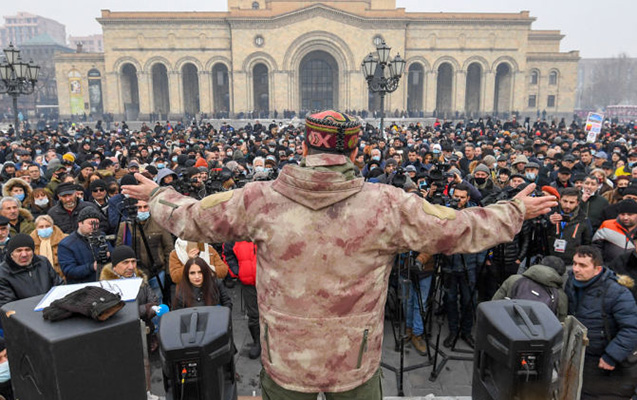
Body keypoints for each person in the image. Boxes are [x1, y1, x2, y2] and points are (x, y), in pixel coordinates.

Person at [123, 110, 556, 398]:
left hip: (285, 361)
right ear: (353, 153)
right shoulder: (387, 205)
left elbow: (194, 218)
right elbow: (458, 229)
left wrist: (159, 194)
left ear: (304, 150)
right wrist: (514, 210)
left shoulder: (260, 200)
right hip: (356, 362)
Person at [564, 246, 637, 399]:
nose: (576, 269)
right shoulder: (570, 283)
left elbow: (632, 328)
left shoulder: (617, 292)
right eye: (575, 263)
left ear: (597, 269)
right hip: (579, 359)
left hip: (606, 366)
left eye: (583, 265)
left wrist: (612, 355)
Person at [115, 199, 174, 303]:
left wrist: (169, 272)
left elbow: (168, 249)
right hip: (134, 273)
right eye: (139, 207)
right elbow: (119, 249)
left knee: (157, 301)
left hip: (157, 271)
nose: (142, 210)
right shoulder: (125, 226)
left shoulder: (159, 224)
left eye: (145, 207)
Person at [492, 255, 568, 321]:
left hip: (507, 329)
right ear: (560, 275)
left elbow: (493, 305)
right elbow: (560, 324)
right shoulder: (560, 295)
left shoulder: (514, 280)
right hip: (538, 336)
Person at [0, 233, 63, 308]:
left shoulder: (43, 263)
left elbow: (59, 287)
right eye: (19, 251)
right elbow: (8, 306)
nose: (24, 254)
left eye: (28, 250)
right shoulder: (3, 273)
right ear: (11, 254)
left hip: (51, 309)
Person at [223, 240, 259, 358]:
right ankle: (257, 342)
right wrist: (238, 271)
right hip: (248, 283)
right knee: (253, 314)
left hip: (270, 282)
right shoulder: (236, 234)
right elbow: (227, 254)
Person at [58, 207, 112, 284]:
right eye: (90, 224)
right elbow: (69, 271)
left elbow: (112, 254)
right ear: (80, 223)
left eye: (96, 224)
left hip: (104, 282)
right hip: (82, 286)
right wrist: (92, 267)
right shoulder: (66, 244)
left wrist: (109, 255)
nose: (94, 227)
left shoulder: (101, 236)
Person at [546, 187, 592, 265]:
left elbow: (587, 242)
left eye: (571, 202)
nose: (567, 205)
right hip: (548, 259)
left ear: (577, 203)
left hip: (570, 262)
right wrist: (548, 222)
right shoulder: (549, 213)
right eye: (565, 201)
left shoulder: (583, 219)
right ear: (560, 200)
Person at [592, 199, 637, 264]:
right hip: (610, 269)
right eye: (622, 214)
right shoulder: (607, 225)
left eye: (630, 214)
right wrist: (600, 264)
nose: (625, 217)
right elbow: (596, 246)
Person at [30, 215, 68, 280]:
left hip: (63, 278)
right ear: (36, 228)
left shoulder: (65, 240)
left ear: (52, 227)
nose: (44, 229)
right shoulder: (30, 243)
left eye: (47, 226)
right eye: (41, 227)